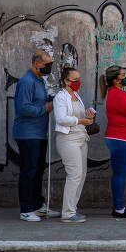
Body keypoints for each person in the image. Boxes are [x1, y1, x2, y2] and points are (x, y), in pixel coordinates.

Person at [14, 50, 60, 222]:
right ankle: (26, 209)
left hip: (39, 133)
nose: (49, 67)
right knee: (29, 171)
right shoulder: (27, 81)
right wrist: (45, 108)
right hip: (28, 134)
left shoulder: (39, 80)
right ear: (36, 63)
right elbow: (23, 108)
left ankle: (37, 205)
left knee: (38, 170)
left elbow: (38, 100)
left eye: (50, 64)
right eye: (46, 64)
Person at [53, 66, 95, 223]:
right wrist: (80, 120)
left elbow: (78, 115)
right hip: (68, 139)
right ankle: (68, 212)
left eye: (79, 79)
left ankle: (72, 209)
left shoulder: (77, 95)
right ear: (66, 81)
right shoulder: (60, 97)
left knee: (81, 175)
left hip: (81, 138)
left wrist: (88, 115)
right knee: (75, 174)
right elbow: (61, 118)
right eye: (74, 80)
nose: (78, 82)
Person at [101, 65, 126, 218]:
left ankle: (119, 206)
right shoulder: (117, 95)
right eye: (123, 74)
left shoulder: (116, 93)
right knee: (120, 173)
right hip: (121, 137)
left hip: (122, 136)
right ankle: (119, 208)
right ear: (117, 79)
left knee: (120, 173)